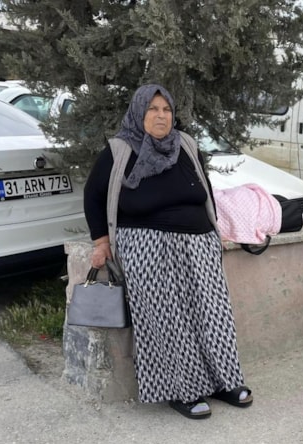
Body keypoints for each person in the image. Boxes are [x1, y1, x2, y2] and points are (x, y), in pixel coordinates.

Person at [83, 83, 252, 419]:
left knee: (213, 314)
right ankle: (182, 390)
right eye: (153, 109)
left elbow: (204, 187)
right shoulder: (119, 149)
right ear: (138, 113)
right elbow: (93, 195)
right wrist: (101, 243)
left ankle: (224, 381)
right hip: (146, 246)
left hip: (199, 243)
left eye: (166, 110)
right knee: (168, 320)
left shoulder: (185, 144)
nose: (161, 116)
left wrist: (214, 228)